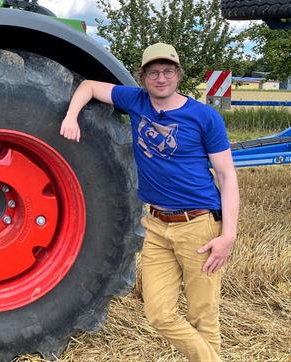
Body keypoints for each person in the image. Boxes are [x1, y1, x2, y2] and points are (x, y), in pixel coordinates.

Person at [60, 43, 239, 361]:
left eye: (168, 71)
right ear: (143, 77)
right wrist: (71, 117)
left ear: (178, 74)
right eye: (153, 72)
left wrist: (228, 235)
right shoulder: (136, 100)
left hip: (198, 226)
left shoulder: (204, 118)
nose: (161, 78)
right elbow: (88, 86)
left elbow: (227, 177)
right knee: (159, 314)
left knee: (203, 317)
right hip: (156, 226)